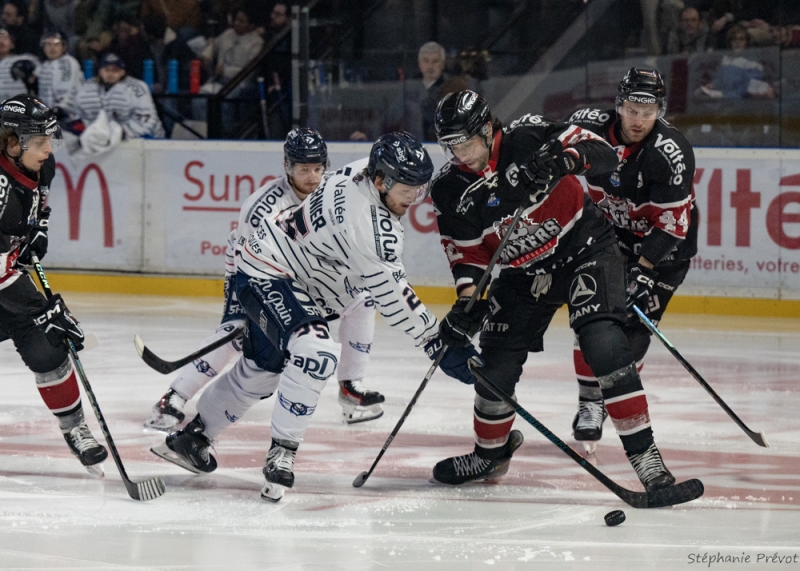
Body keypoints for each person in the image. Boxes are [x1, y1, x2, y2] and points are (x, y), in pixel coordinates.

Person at [152, 132, 481, 501]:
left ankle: (191, 438)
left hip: (285, 277)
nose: (414, 199)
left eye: (419, 189)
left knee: (262, 372)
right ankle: (283, 452)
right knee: (317, 351)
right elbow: (392, 294)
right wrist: (435, 341)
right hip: (270, 273)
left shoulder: (358, 171)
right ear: (380, 180)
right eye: (408, 189)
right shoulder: (370, 229)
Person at [428, 90, 680, 495]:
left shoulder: (527, 137)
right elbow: (468, 254)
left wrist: (566, 160)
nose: (461, 154)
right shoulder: (448, 187)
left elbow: (604, 152)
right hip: (522, 272)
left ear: (487, 128)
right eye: (451, 146)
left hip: (585, 249)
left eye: (466, 142)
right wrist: (468, 300)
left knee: (603, 341)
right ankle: (490, 454)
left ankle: (647, 460)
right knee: (495, 366)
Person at [145, 128, 387, 431]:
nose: (312, 176)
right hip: (253, 272)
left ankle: (351, 387)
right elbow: (246, 261)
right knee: (235, 333)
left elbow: (369, 164)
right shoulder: (262, 207)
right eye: (303, 169)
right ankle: (175, 397)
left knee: (363, 300)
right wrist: (244, 310)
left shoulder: (333, 189)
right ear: (287, 167)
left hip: (306, 276)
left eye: (317, 168)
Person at [566, 68, 697, 455]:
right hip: (611, 240)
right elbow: (542, 142)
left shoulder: (670, 152)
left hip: (665, 250)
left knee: (631, 339)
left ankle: (613, 399)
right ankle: (590, 404)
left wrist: (643, 271)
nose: (639, 120)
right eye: (632, 109)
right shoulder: (586, 127)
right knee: (591, 317)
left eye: (649, 111)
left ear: (660, 110)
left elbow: (673, 226)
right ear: (619, 105)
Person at [0, 94, 108, 475]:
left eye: (51, 140)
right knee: (47, 324)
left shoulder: (40, 166)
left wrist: (38, 231)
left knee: (48, 349)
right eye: (41, 142)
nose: (49, 149)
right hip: (3, 279)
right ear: (12, 143)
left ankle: (75, 429)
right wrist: (38, 307)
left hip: (7, 278)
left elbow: (39, 207)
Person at [73, 52, 165, 145]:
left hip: (145, 140)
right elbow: (77, 116)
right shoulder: (85, 88)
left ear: (122, 72)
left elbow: (146, 121)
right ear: (100, 71)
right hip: (101, 140)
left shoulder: (137, 87)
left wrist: (121, 132)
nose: (110, 74)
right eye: (107, 70)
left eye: (115, 70)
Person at [36, 31, 83, 120]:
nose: (52, 48)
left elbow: (68, 91)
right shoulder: (44, 65)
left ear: (64, 47)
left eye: (56, 44)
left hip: (69, 117)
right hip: (49, 117)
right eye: (48, 44)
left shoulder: (67, 62)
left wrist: (61, 108)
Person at [0, 28, 40, 101]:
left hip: (19, 107)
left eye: (4, 38)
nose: (1, 42)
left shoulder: (26, 59)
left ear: (12, 44)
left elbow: (40, 68)